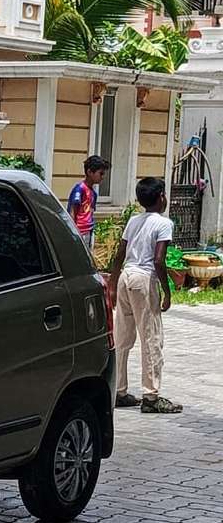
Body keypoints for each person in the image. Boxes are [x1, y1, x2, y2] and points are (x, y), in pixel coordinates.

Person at [109, 177, 182, 414]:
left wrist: (112, 283)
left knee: (122, 336)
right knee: (151, 338)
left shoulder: (133, 220)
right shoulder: (163, 223)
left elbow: (120, 254)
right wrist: (167, 291)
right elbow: (159, 260)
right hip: (144, 279)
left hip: (126, 277)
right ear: (161, 196)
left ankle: (118, 390)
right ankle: (151, 396)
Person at [68, 155, 108, 250]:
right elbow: (72, 212)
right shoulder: (80, 189)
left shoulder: (93, 193)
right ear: (90, 172)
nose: (102, 177)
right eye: (100, 173)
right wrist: (73, 232)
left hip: (89, 230)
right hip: (79, 231)